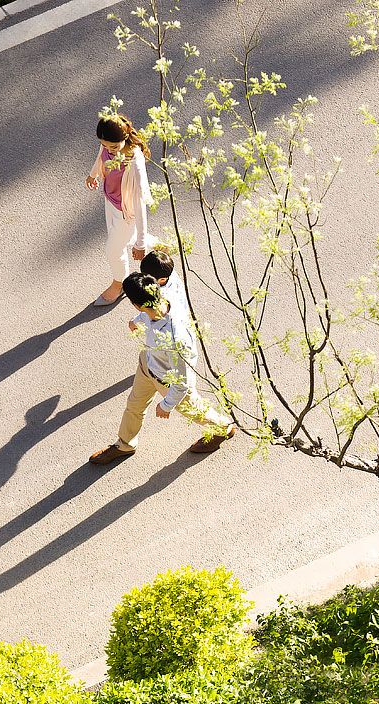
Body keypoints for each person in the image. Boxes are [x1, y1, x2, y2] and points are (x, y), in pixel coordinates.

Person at [89, 272, 235, 464]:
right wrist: (137, 321)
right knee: (134, 405)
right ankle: (125, 444)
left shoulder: (175, 338)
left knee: (194, 411)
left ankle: (223, 428)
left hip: (169, 380)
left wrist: (166, 405)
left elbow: (181, 382)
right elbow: (148, 312)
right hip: (148, 364)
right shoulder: (160, 300)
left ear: (137, 304)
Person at [85, 114, 155, 306]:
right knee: (119, 240)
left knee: (112, 251)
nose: (110, 150)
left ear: (124, 137)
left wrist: (140, 245)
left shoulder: (135, 162)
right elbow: (101, 156)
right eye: (105, 145)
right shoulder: (108, 146)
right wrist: (93, 175)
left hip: (126, 213)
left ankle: (119, 283)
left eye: (113, 147)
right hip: (111, 201)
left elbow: (140, 205)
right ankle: (155, 244)